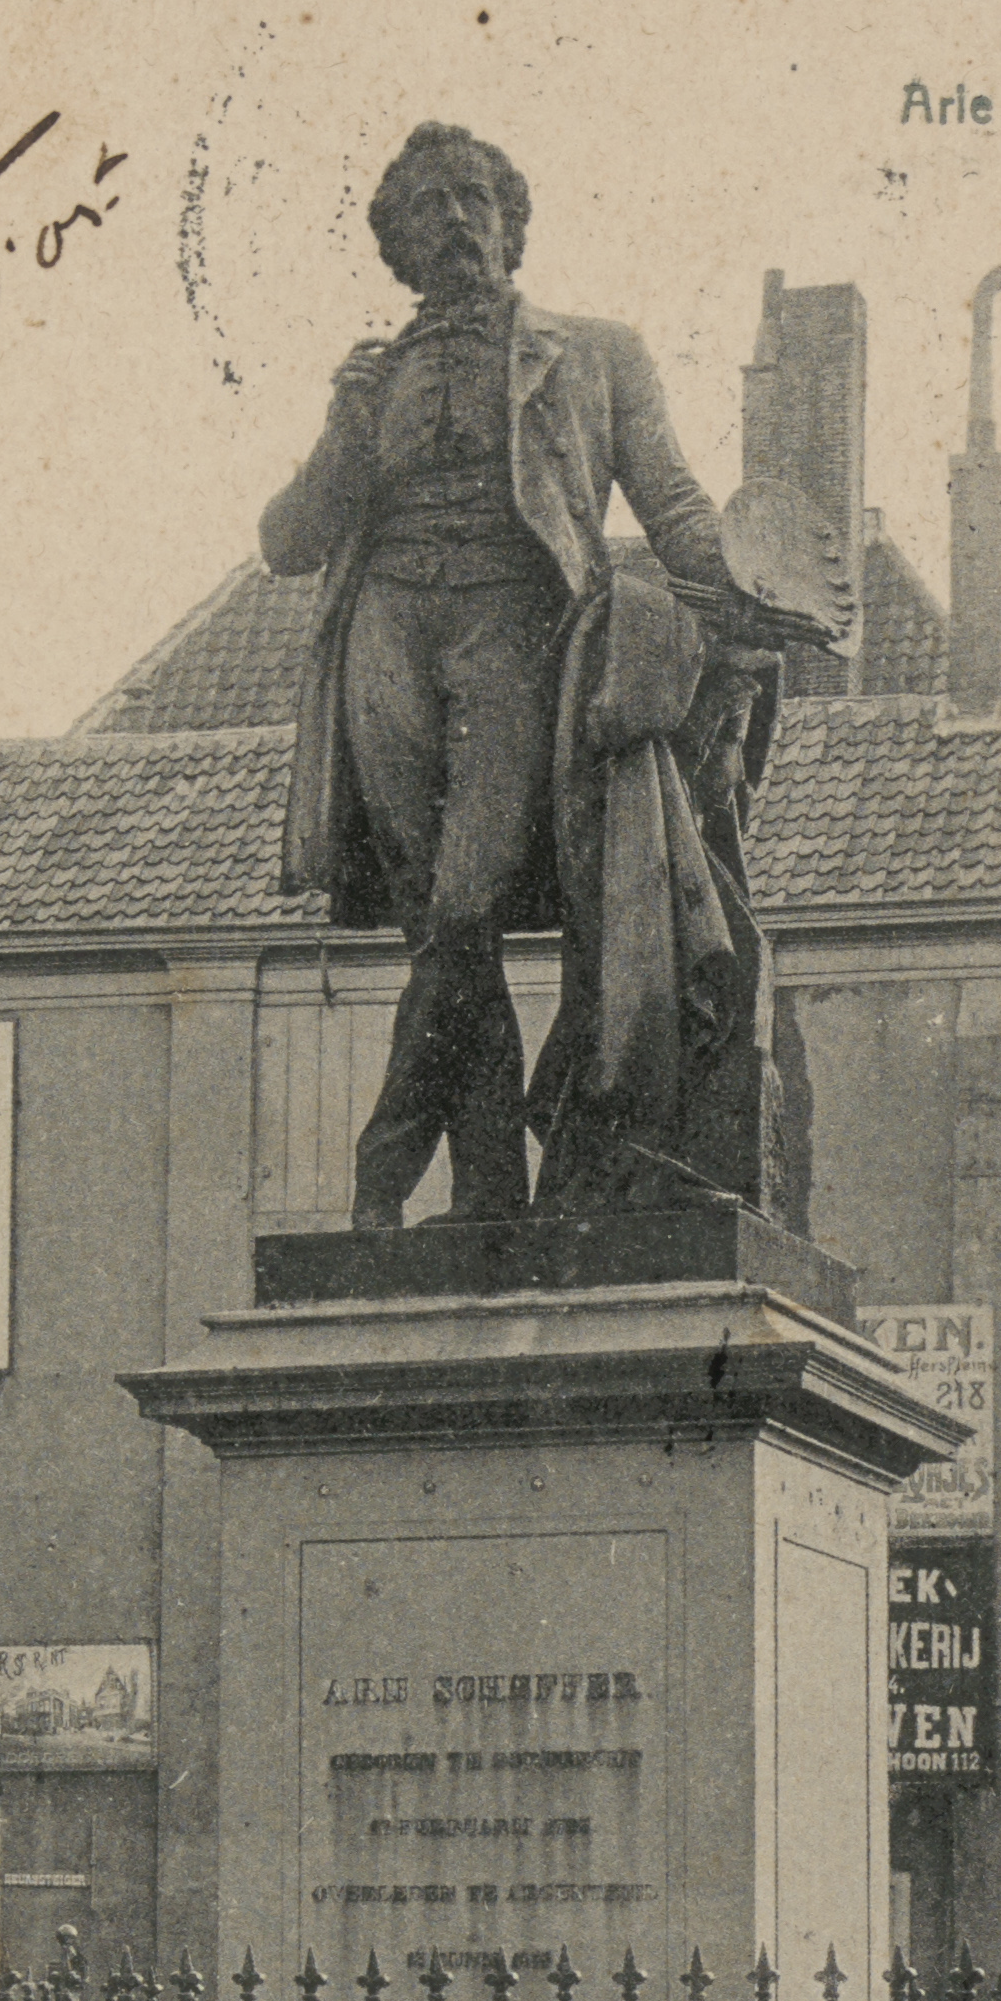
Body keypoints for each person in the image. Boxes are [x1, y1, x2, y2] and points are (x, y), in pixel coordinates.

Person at [262, 121, 802, 1229]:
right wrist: (339, 432)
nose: (457, 220)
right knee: (442, 933)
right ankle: (489, 1196)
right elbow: (287, 542)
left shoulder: (596, 351)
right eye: (430, 206)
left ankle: (380, 1174)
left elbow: (675, 505)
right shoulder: (371, 380)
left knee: (464, 908)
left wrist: (755, 590)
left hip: (515, 632)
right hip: (385, 638)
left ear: (511, 223)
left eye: (475, 198)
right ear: (400, 245)